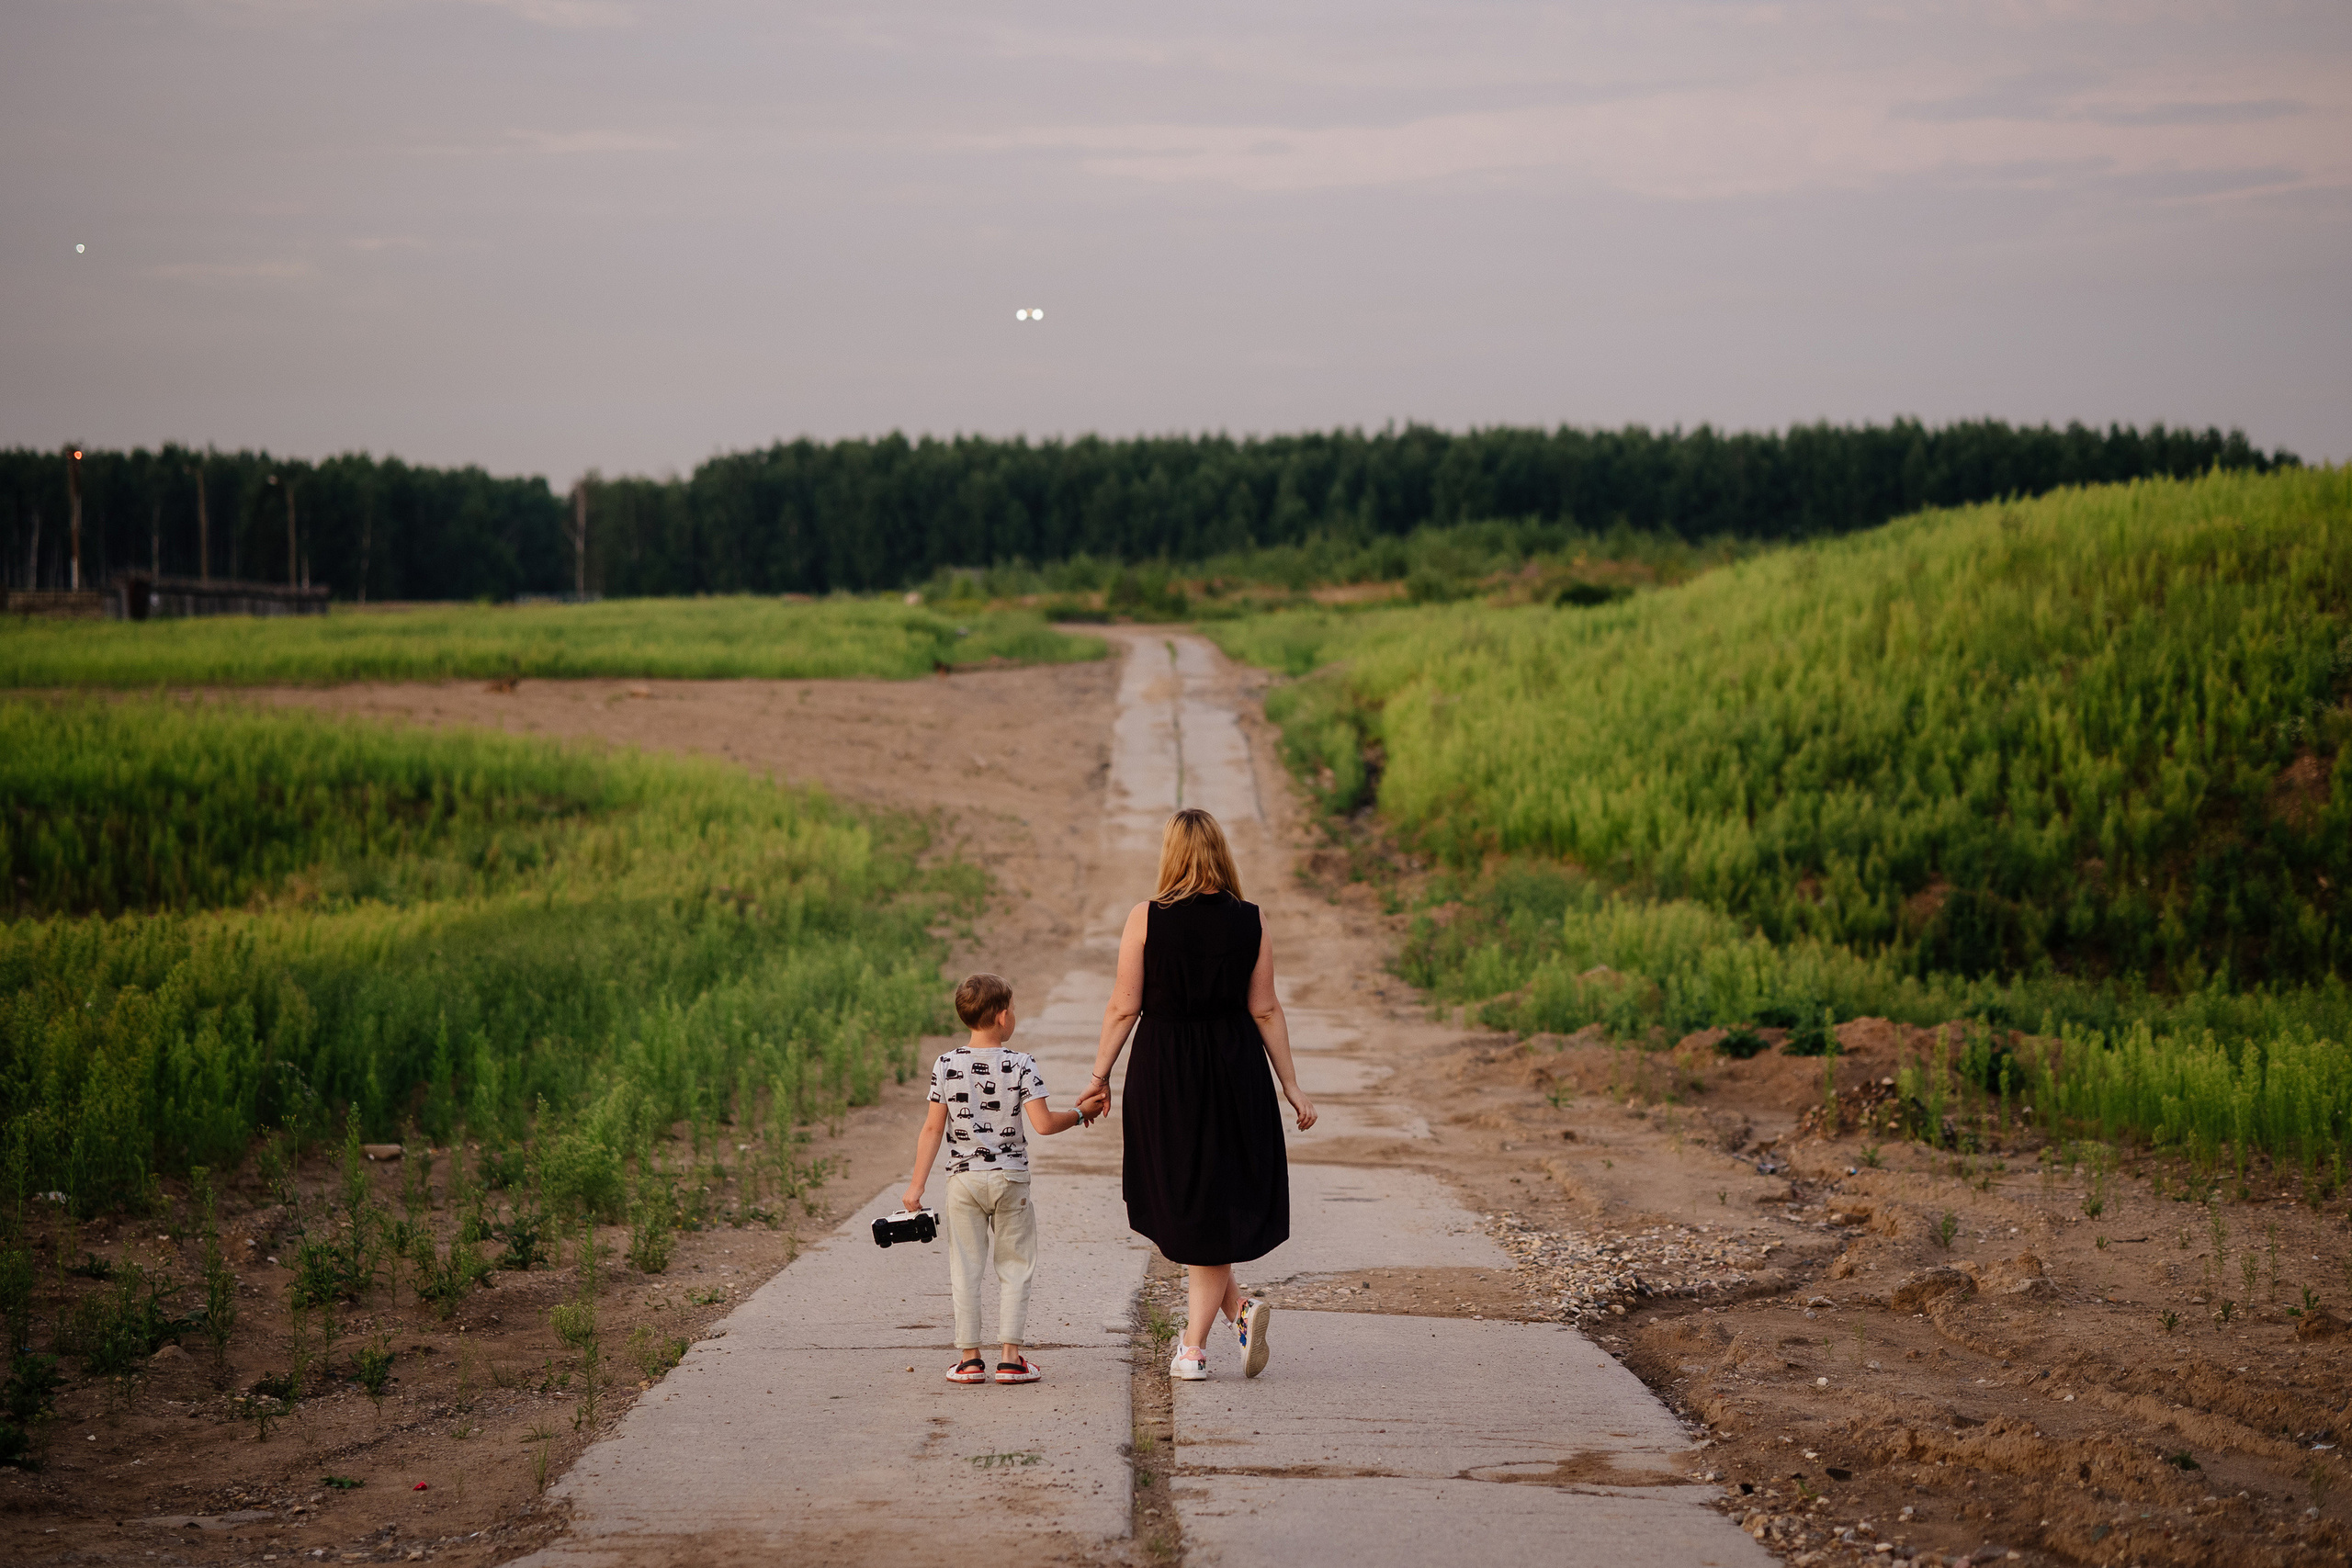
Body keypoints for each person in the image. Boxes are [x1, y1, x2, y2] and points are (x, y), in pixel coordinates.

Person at [1075, 808, 1317, 1382]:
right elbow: (1264, 1008)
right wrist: (1290, 1085)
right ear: (1220, 853)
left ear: (1172, 855)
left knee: (1190, 1202)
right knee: (1205, 1206)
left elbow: (1123, 1005)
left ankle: (1191, 1347)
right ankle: (1241, 1311)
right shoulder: (1252, 921)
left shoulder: (1145, 918)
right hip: (1235, 1071)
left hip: (1165, 1072)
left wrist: (1099, 1074)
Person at [902, 972, 1089, 1385]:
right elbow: (1042, 1124)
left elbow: (932, 1129)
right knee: (1015, 1265)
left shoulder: (946, 1064)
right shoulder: (1021, 1064)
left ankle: (969, 1360)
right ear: (1004, 1017)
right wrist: (1079, 1115)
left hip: (963, 1182)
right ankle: (1010, 1359)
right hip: (1009, 1179)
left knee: (965, 1267)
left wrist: (916, 1187)